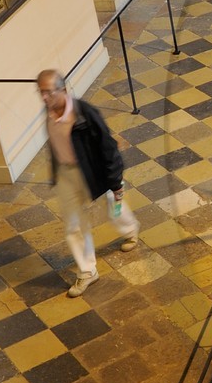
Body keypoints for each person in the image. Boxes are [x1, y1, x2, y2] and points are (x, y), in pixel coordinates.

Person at [36, 69, 139, 297]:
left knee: (113, 209)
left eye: (48, 92)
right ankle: (87, 271)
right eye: (41, 92)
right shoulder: (49, 113)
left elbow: (108, 148)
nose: (44, 97)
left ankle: (130, 230)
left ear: (63, 90)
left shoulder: (85, 113)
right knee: (73, 226)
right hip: (67, 176)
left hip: (93, 173)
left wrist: (115, 182)